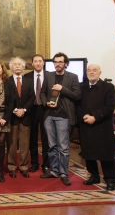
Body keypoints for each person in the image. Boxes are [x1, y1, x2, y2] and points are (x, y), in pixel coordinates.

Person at [40, 52, 81, 186]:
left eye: (60, 62)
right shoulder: (49, 75)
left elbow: (77, 95)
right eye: (55, 62)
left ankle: (64, 173)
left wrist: (62, 89)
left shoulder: (73, 77)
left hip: (64, 117)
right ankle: (54, 170)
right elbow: (42, 93)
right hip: (49, 116)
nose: (57, 64)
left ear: (66, 64)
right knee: (52, 146)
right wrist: (46, 103)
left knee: (63, 147)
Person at [76, 64, 115, 191]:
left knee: (106, 155)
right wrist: (84, 116)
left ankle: (110, 179)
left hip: (102, 126)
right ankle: (94, 176)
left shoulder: (108, 87)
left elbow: (110, 106)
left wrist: (95, 117)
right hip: (86, 124)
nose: (91, 72)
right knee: (89, 153)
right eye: (89, 70)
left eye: (94, 70)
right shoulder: (82, 88)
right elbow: (77, 105)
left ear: (100, 72)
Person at [7, 57, 35, 179]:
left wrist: (23, 110)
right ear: (11, 67)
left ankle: (24, 167)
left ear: (23, 67)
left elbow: (32, 97)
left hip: (25, 116)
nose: (17, 66)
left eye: (19, 64)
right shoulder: (7, 81)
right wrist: (14, 110)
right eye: (15, 64)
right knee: (12, 144)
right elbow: (6, 99)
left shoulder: (29, 81)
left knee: (25, 144)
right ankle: (12, 166)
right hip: (12, 117)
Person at [25, 54, 50, 174]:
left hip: (46, 109)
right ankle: (34, 163)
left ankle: (46, 164)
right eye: (35, 61)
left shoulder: (50, 76)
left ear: (43, 63)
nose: (38, 63)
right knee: (32, 138)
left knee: (46, 138)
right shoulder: (27, 77)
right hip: (32, 109)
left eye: (40, 61)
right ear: (32, 64)